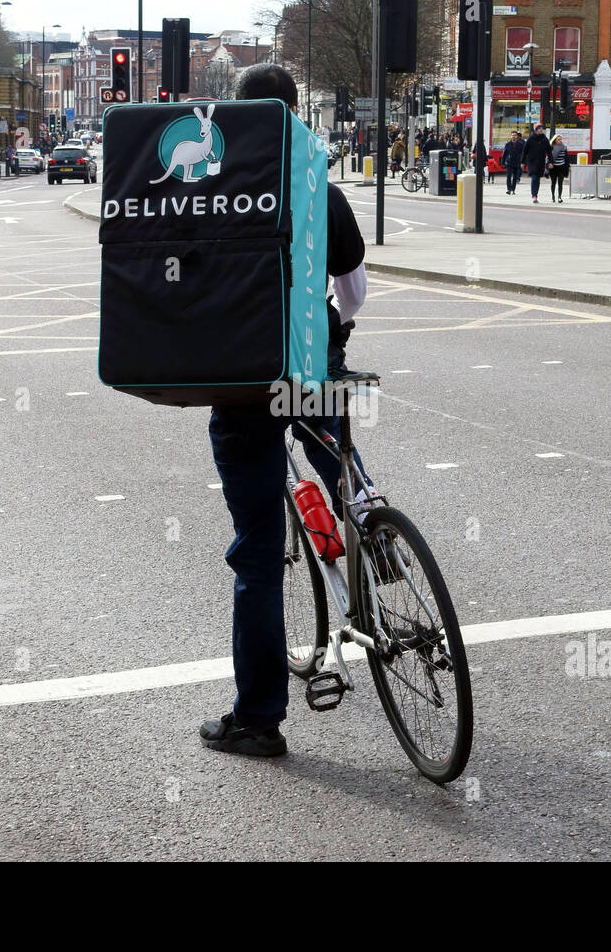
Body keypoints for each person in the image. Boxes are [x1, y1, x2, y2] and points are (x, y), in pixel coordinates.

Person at [200, 64, 376, 758]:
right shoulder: (321, 191)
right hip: (312, 365)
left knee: (257, 555)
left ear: (239, 117)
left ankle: (258, 719)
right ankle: (373, 531)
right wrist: (333, 330)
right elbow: (353, 290)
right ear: (297, 114)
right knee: (336, 460)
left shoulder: (211, 188)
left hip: (244, 380)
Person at [523, 123, 551, 204]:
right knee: (534, 178)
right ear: (535, 130)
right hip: (532, 162)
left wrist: (551, 162)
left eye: (542, 128)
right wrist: (522, 162)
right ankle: (534, 195)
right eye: (539, 128)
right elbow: (524, 151)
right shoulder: (530, 139)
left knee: (537, 179)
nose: (541, 129)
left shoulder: (545, 139)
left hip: (541, 162)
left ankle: (535, 195)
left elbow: (549, 152)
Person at [547, 134, 569, 203]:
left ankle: (559, 197)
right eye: (558, 139)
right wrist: (549, 164)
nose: (560, 140)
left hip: (561, 167)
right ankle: (553, 197)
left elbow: (566, 157)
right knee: (553, 183)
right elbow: (548, 157)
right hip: (553, 167)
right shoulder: (551, 147)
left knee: (560, 183)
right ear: (555, 140)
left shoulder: (564, 147)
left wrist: (568, 166)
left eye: (561, 139)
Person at [502, 131, 524, 195]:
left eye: (515, 135)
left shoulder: (520, 144)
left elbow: (523, 153)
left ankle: (513, 189)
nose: (513, 136)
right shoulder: (508, 144)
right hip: (509, 162)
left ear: (517, 136)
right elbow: (505, 154)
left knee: (515, 177)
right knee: (508, 176)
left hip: (517, 163)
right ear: (511, 136)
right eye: (512, 135)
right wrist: (503, 162)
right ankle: (508, 189)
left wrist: (522, 161)